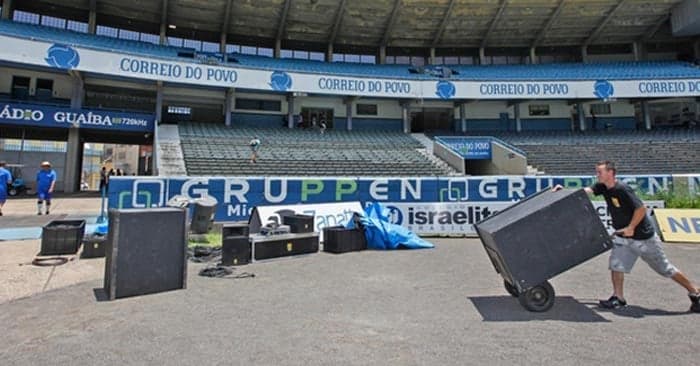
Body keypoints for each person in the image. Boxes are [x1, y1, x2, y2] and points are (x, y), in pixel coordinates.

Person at [555, 160, 699, 312]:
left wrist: (631, 227)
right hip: (624, 237)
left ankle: (695, 291)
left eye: (600, 172)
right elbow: (585, 191)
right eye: (597, 172)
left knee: (665, 269)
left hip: (643, 238)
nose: (597, 175)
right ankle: (619, 297)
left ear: (610, 173)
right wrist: (564, 190)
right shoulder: (602, 187)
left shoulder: (622, 189)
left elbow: (641, 209)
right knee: (616, 265)